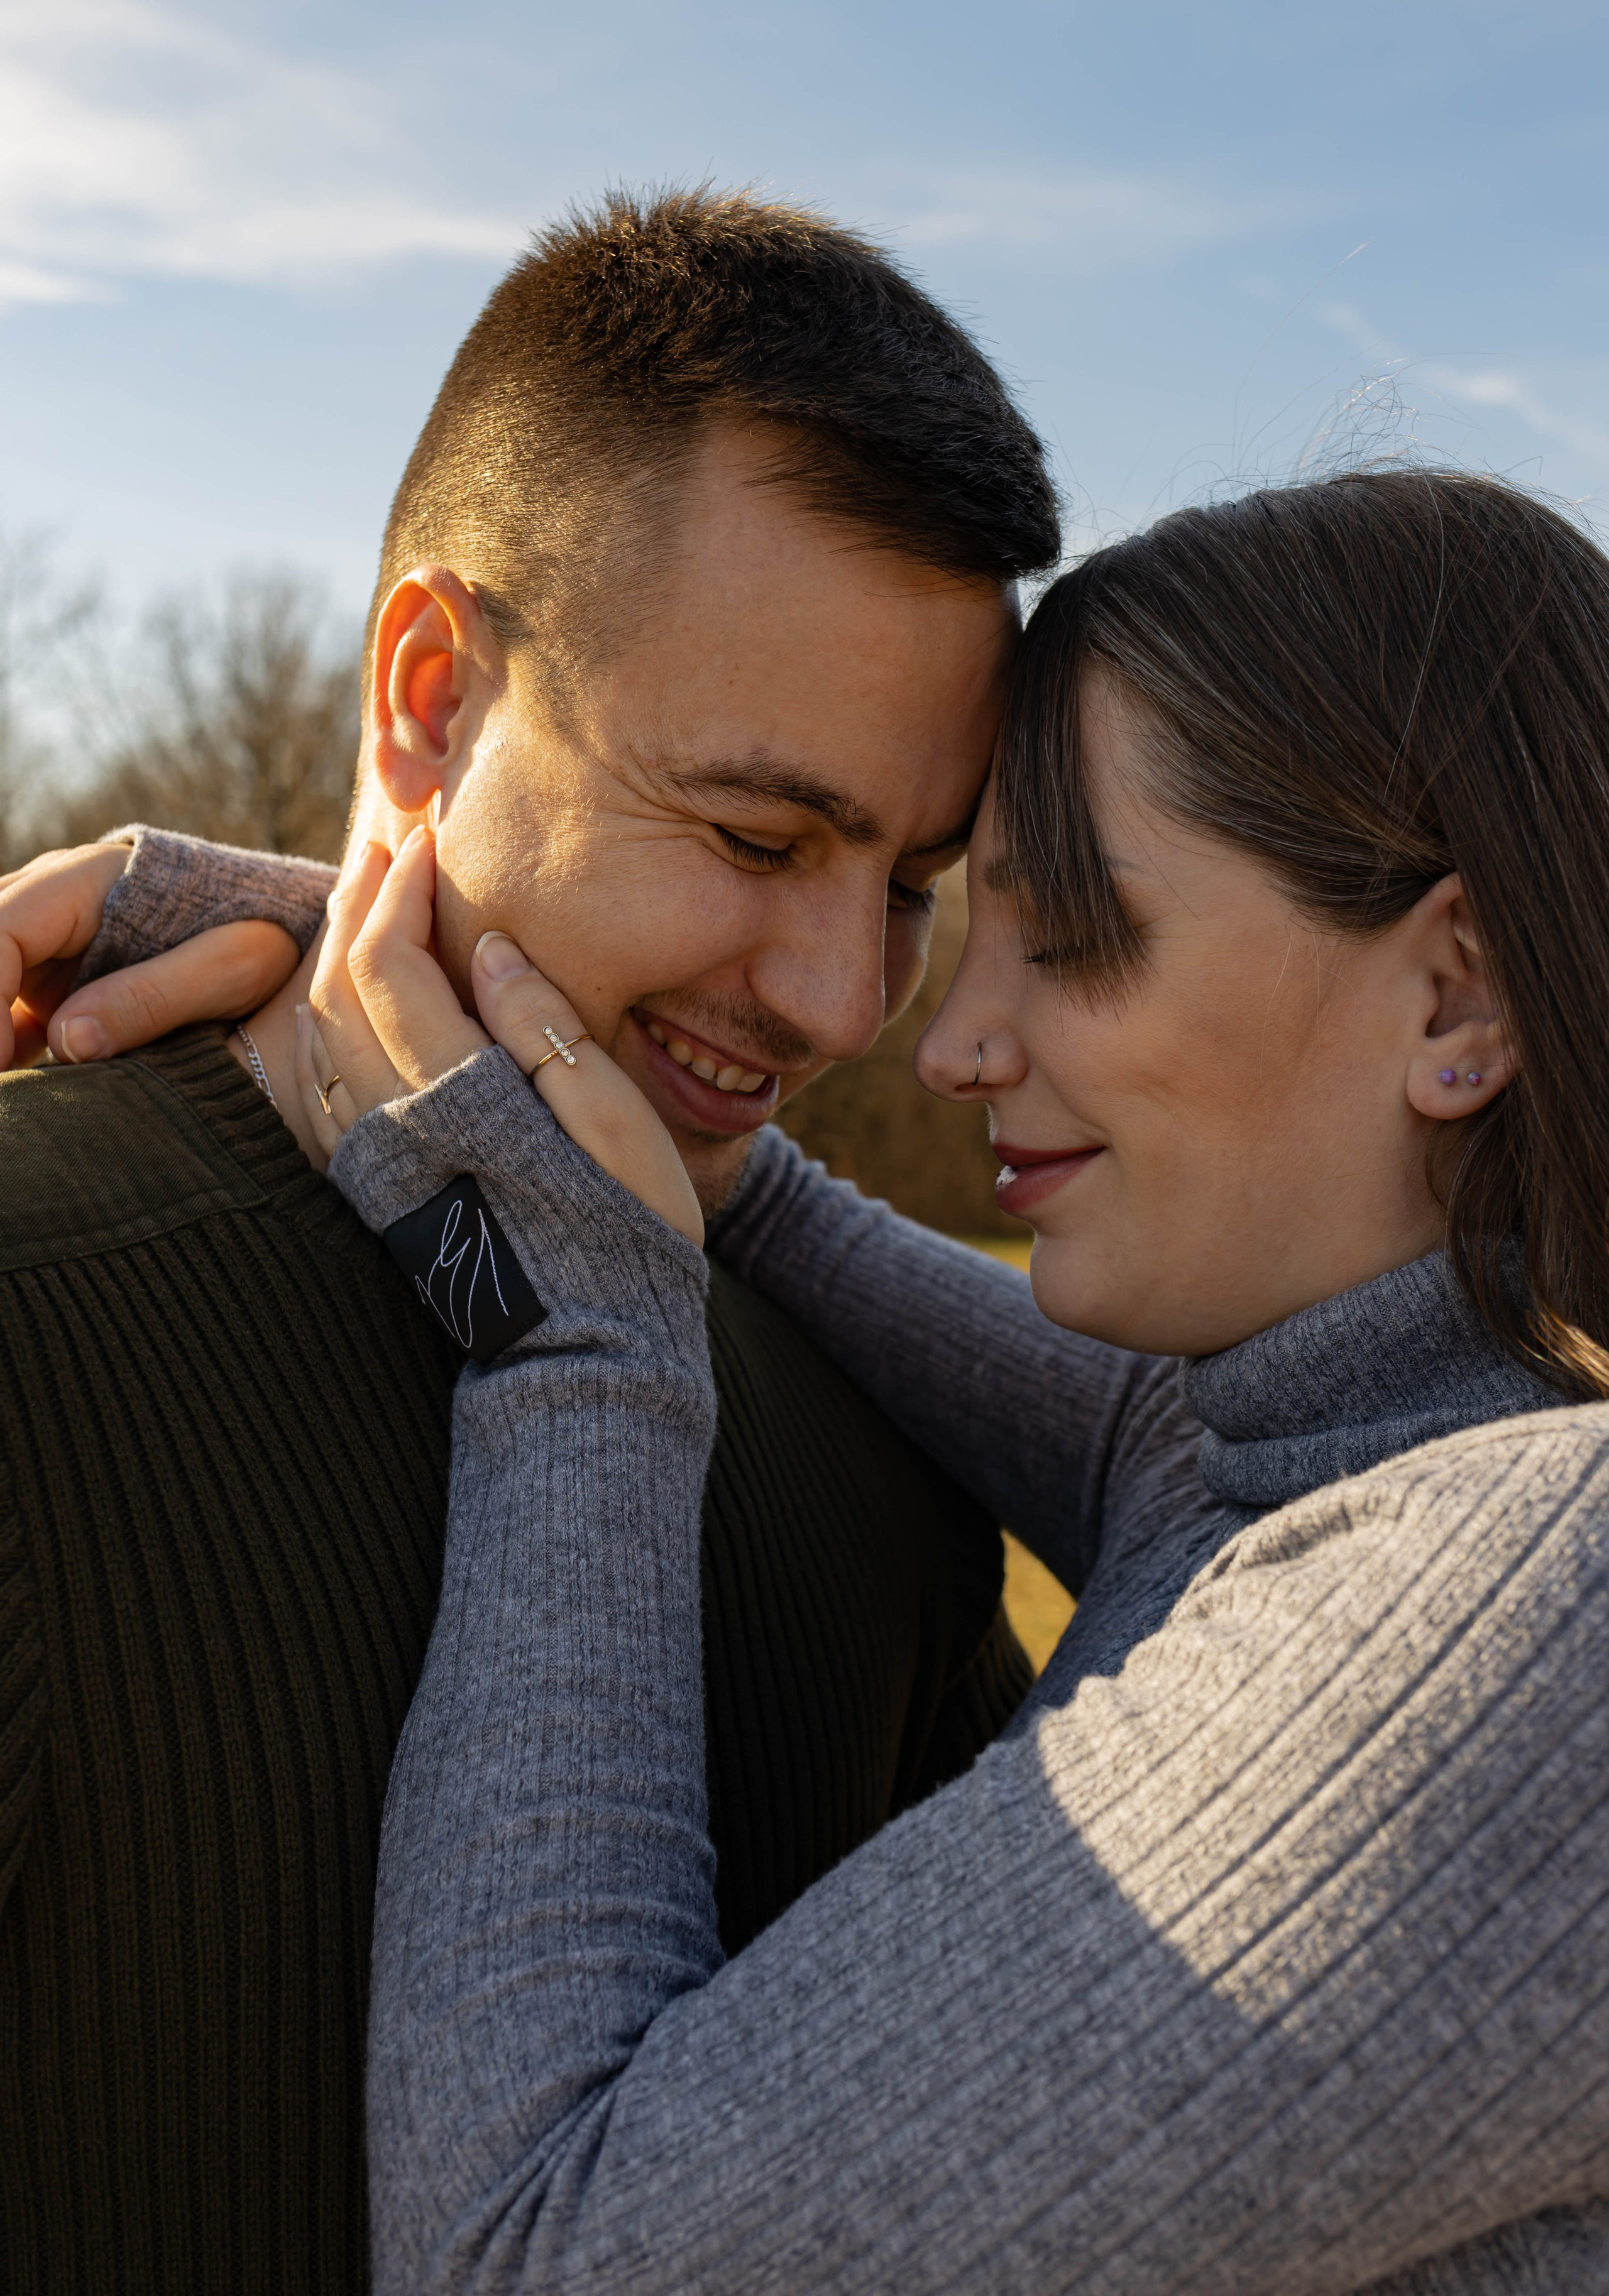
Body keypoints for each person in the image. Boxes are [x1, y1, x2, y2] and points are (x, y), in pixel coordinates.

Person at [289, 465, 1609, 2293]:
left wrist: (572, 1336)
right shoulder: (1309, 1451)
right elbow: (815, 1236)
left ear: (1459, 1000)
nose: (950, 1044)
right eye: (955, 914)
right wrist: (388, 959)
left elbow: (537, 2256)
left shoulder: (1548, 1610)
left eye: (1068, 934)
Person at [0, 186, 1059, 2294]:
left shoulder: (887, 1454)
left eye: (913, 883)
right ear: (426, 697)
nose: (851, 1004)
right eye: (760, 837)